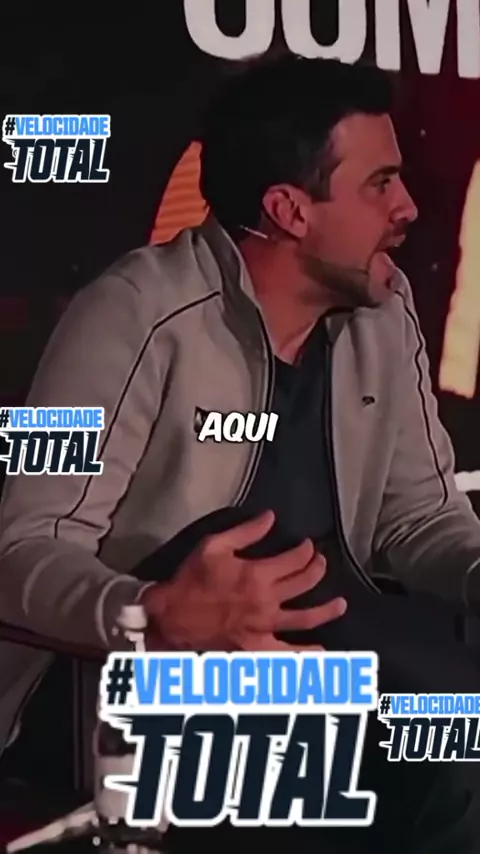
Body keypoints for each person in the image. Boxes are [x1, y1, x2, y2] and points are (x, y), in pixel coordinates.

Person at [0, 54, 480, 850]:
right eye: (380, 183)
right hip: (113, 690)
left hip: (323, 662)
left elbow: (421, 516)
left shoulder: (381, 309)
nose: (408, 207)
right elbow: (19, 551)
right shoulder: (132, 312)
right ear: (290, 210)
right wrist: (149, 612)